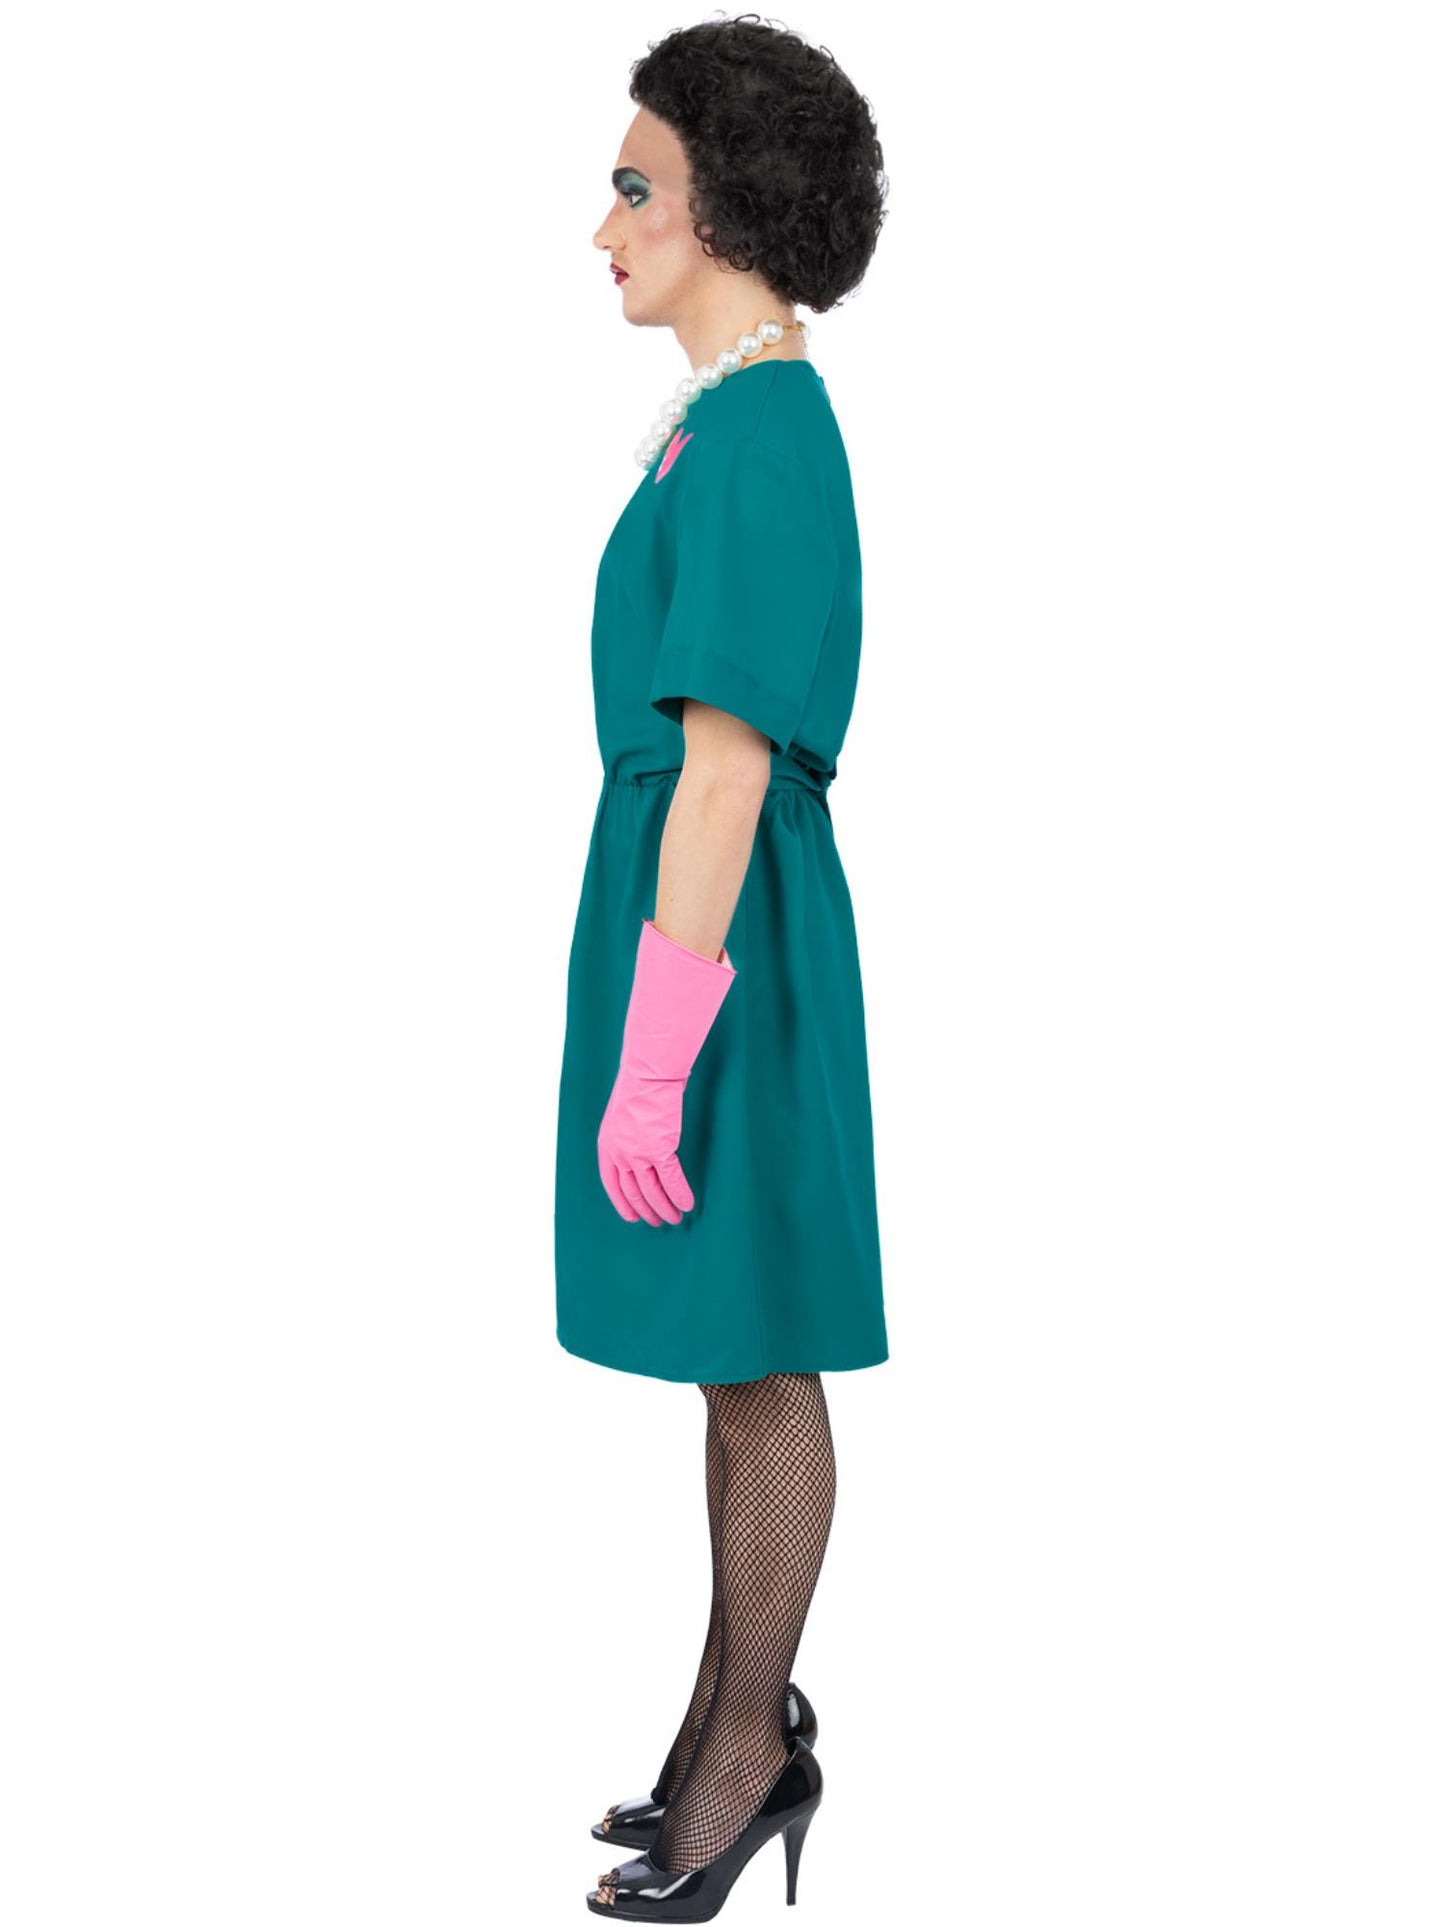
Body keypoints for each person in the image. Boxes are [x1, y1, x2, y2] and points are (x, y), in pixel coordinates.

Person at [553, 17, 890, 1919]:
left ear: (732, 206)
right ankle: (717, 1723)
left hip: (724, 934)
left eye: (633, 188)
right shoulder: (722, 419)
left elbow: (728, 766)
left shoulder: (763, 434)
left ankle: (753, 1753)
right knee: (725, 1349)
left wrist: (658, 1049)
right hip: (697, 915)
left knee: (758, 1354)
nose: (602, 228)